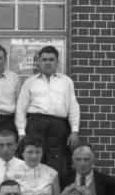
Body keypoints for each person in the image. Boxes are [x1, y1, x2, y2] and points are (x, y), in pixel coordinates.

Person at [15, 46, 80, 175]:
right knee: (34, 160)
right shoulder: (30, 82)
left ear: (57, 61)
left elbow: (73, 107)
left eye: (51, 59)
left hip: (59, 126)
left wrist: (75, 131)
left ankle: (55, 193)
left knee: (57, 163)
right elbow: (21, 109)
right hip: (35, 124)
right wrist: (21, 133)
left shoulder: (67, 82)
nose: (48, 62)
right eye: (44, 59)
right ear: (39, 62)